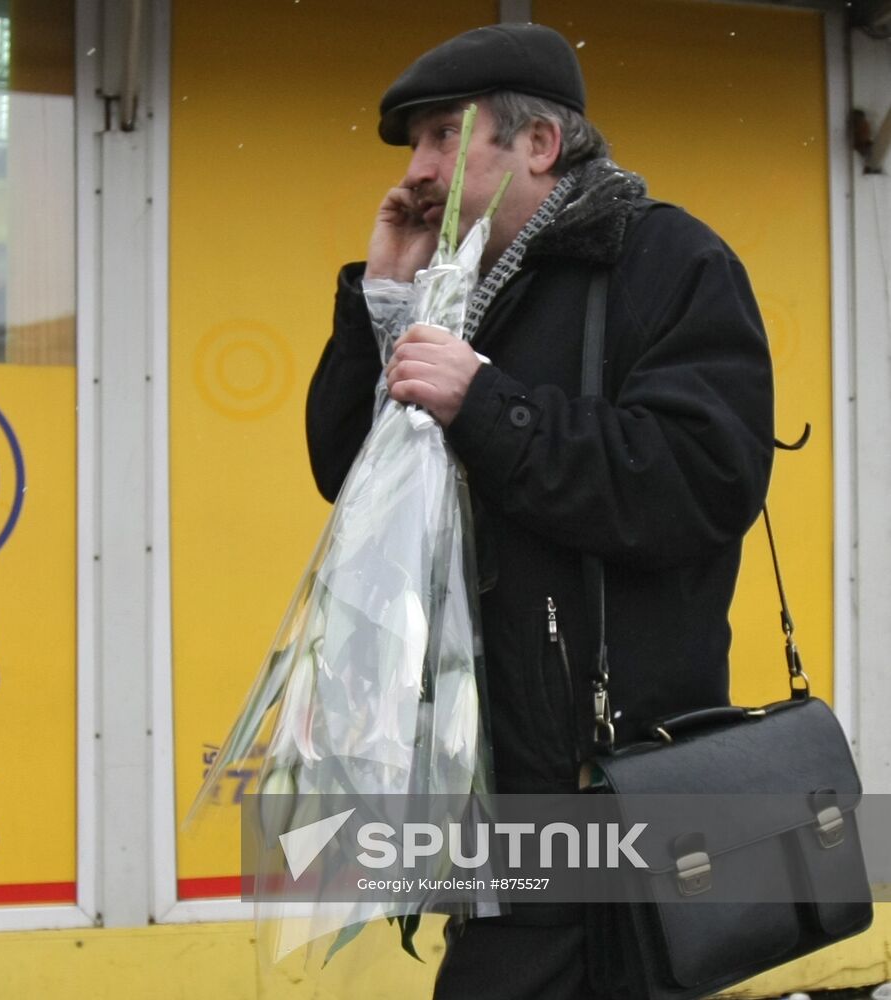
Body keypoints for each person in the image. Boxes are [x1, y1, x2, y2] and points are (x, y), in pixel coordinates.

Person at [305, 23, 774, 999]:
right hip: (492, 792)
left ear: (537, 145)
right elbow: (347, 479)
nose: (418, 170)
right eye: (411, 147)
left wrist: (486, 401)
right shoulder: (450, 289)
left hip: (622, 790)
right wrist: (382, 296)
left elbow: (697, 481)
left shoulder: (667, 262)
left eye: (442, 136)